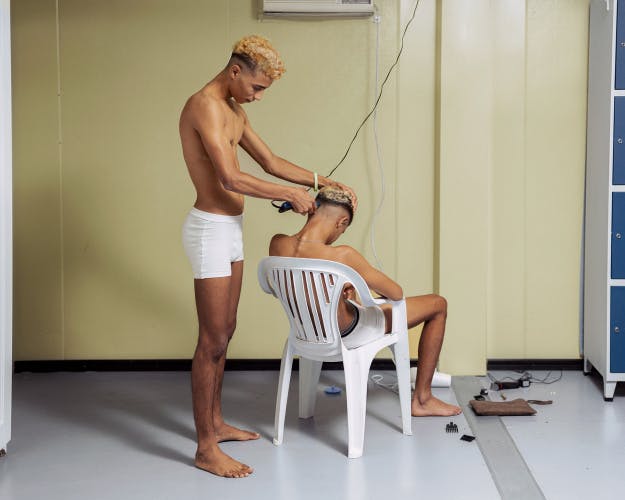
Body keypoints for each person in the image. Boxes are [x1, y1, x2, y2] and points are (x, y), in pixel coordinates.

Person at [179, 35, 356, 479]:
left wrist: (321, 180)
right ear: (236, 71)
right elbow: (230, 176)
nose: (256, 98)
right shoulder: (204, 105)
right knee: (211, 340)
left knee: (227, 332)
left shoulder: (234, 111)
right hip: (209, 232)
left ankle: (216, 424)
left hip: (230, 231)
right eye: (256, 88)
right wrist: (288, 195)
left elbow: (271, 161)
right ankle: (205, 448)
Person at [269, 186, 462, 418]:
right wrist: (354, 284)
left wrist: (341, 287)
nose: (340, 234)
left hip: (304, 333)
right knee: (437, 304)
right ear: (341, 222)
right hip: (349, 331)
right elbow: (396, 292)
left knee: (360, 303)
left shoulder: (277, 243)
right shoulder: (342, 256)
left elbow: (287, 286)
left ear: (311, 211)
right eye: (344, 228)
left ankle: (422, 398)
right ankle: (423, 399)